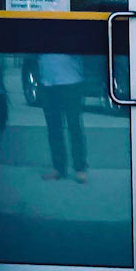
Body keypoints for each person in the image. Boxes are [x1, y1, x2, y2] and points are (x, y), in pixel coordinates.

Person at [37, 52, 90, 182]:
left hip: (71, 81)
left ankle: (80, 168)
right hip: (48, 82)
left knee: (74, 126)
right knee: (54, 128)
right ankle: (59, 168)